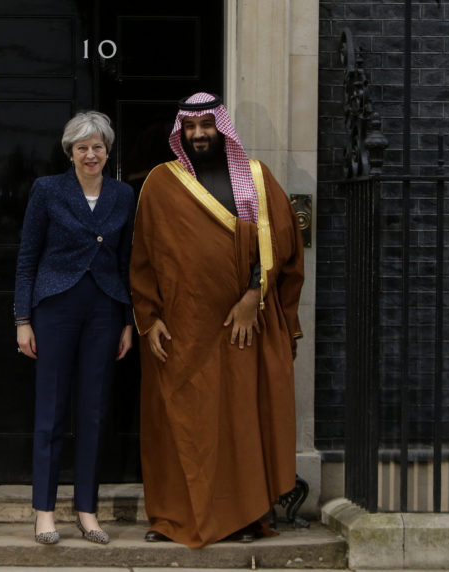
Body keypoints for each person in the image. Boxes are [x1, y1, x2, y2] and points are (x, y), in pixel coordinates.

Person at [130, 92, 304, 548]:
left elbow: (281, 244)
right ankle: (171, 517)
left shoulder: (255, 179)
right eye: (190, 127)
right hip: (182, 330)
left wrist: (252, 297)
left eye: (207, 125)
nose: (199, 134)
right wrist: (148, 319)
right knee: (180, 424)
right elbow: (143, 258)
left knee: (240, 422)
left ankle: (247, 517)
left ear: (221, 128)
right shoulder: (160, 183)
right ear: (180, 132)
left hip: (241, 328)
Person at [14, 111, 136, 545]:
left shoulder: (123, 195)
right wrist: (23, 320)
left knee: (94, 414)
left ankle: (87, 511)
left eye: (98, 147)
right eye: (82, 147)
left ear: (107, 151)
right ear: (70, 152)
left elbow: (125, 263)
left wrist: (126, 320)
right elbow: (28, 257)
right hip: (55, 310)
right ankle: (44, 513)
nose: (90, 154)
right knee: (50, 412)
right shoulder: (47, 191)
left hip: (104, 310)